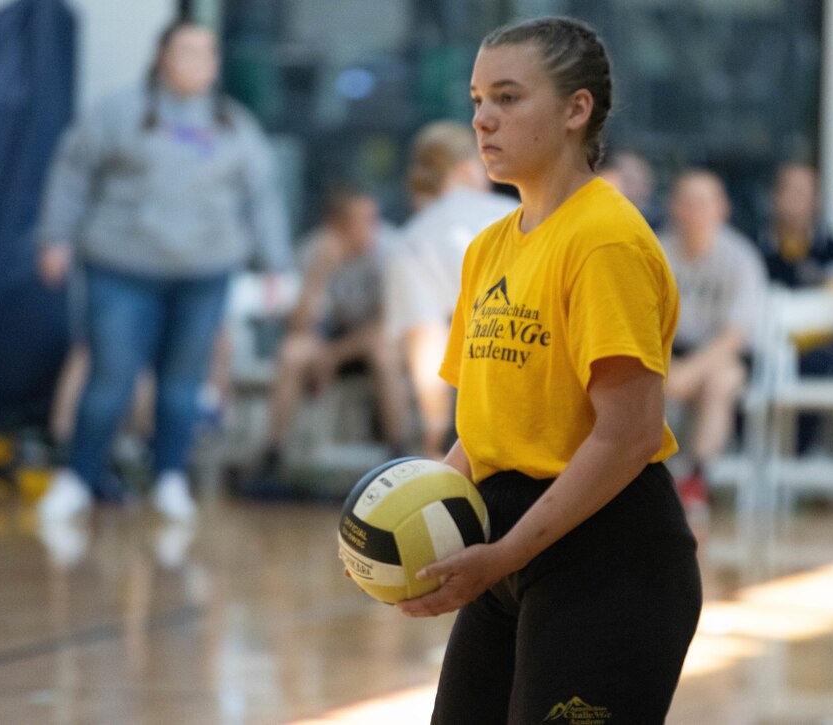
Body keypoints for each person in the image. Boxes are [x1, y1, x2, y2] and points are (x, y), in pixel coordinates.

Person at [392, 18, 702, 723]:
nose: (482, 119)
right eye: (476, 100)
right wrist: (418, 516)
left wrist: (500, 554)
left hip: (610, 558)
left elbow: (627, 437)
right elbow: (485, 426)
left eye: (507, 97)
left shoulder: (604, 241)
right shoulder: (490, 247)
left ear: (575, 109)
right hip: (508, 552)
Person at [35, 18, 291, 522]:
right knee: (111, 376)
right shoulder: (117, 113)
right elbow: (72, 172)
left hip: (205, 273)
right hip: (120, 267)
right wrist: (54, 238)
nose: (197, 62)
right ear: (162, 58)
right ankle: (78, 477)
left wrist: (275, 263)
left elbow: (263, 198)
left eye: (206, 54)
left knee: (183, 382)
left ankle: (170, 476)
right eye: (186, 51)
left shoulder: (234, 125)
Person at [246, 185, 407, 488]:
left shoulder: (389, 250)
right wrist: (320, 271)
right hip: (329, 341)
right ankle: (272, 454)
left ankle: (397, 453)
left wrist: (331, 356)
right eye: (360, 221)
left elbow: (387, 326)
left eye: (373, 219)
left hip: (366, 345)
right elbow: (297, 327)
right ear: (336, 224)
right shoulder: (314, 250)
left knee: (383, 351)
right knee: (292, 352)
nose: (370, 229)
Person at [384, 121, 517, 459]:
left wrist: (437, 433)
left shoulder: (413, 239)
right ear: (466, 166)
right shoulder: (516, 216)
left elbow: (426, 340)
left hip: (475, 403)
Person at [660, 170, 767, 511]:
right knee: (632, 378)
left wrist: (686, 374)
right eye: (688, 201)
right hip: (665, 348)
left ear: (722, 208)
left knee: (720, 381)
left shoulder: (741, 258)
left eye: (704, 202)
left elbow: (737, 334)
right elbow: (638, 319)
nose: (696, 210)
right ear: (674, 207)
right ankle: (642, 478)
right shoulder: (656, 249)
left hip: (723, 352)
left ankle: (696, 478)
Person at [758, 162, 833, 452]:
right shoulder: (756, 246)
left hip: (816, 344)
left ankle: (799, 456)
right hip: (764, 342)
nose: (799, 199)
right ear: (775, 196)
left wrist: (795, 338)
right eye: (792, 191)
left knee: (820, 365)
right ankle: (758, 452)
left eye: (807, 192)